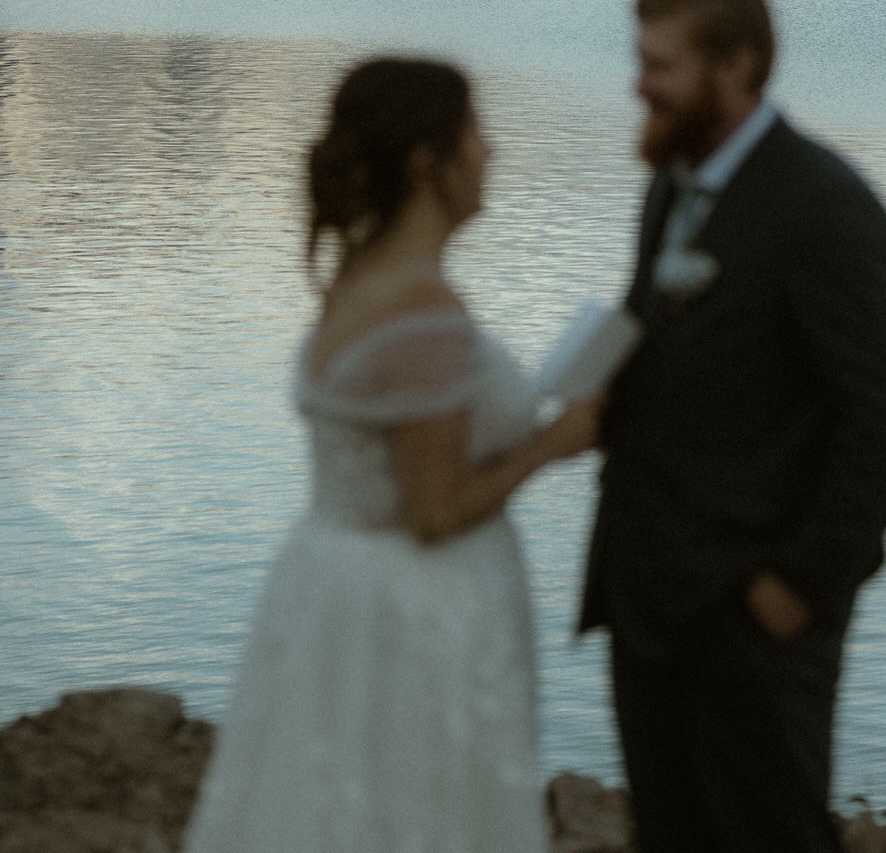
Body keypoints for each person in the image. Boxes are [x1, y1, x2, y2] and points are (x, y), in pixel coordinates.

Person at [185, 56, 599, 853]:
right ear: (425, 160)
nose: (491, 151)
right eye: (473, 132)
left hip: (330, 589)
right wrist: (555, 442)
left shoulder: (359, 279)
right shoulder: (424, 313)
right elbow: (433, 512)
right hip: (410, 611)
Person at [580, 0, 886, 853]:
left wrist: (798, 586)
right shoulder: (675, 184)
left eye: (659, 65)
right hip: (651, 599)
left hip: (752, 611)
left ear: (736, 65)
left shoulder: (824, 207)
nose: (638, 84)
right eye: (639, 59)